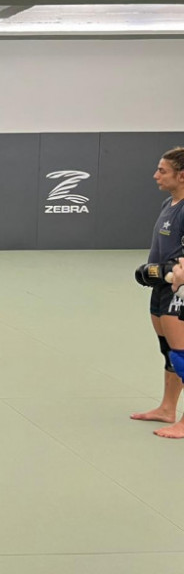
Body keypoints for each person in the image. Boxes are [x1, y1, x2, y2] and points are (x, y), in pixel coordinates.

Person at [131, 147, 184, 438]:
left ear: (182, 175)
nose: (155, 175)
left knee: (182, 355)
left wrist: (164, 271)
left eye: (162, 171)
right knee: (169, 352)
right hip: (162, 288)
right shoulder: (169, 203)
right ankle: (167, 409)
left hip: (179, 290)